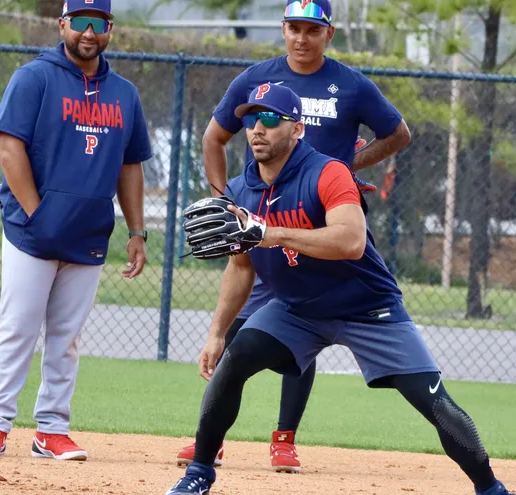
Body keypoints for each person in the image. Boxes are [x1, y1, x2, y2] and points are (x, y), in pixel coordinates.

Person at [165, 84, 516, 495]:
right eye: (250, 119)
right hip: (297, 309)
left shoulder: (328, 173)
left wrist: (271, 233)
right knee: (235, 356)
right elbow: (241, 267)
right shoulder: (242, 191)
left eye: (270, 119)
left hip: (368, 307)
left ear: (297, 129)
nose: (257, 129)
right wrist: (216, 333)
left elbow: (350, 241)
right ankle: (199, 474)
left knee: (431, 400)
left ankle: (491, 488)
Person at [175, 0, 412, 473]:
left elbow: (398, 133)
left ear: (329, 33)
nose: (301, 38)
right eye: (293, 28)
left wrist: (348, 165)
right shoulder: (256, 80)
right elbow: (213, 138)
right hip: (264, 224)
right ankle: (211, 436)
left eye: (312, 29)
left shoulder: (351, 85)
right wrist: (226, 201)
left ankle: (284, 437)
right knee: (239, 325)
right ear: (282, 30)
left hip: (322, 226)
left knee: (305, 322)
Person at [0, 0, 152, 461]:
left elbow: (131, 167)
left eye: (100, 23)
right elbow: (9, 149)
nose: (90, 33)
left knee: (67, 337)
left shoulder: (124, 94)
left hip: (88, 232)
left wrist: (136, 230)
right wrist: (36, 213)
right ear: (63, 24)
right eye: (82, 22)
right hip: (31, 229)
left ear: (110, 29)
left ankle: (50, 429)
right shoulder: (34, 78)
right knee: (18, 326)